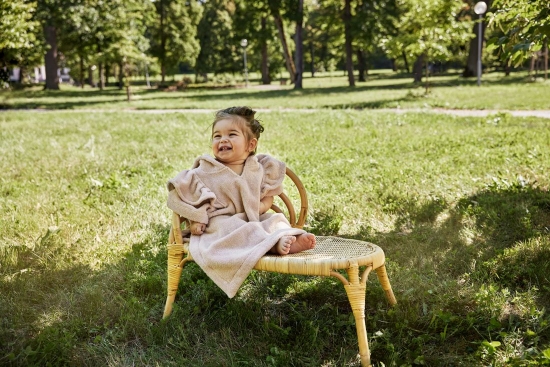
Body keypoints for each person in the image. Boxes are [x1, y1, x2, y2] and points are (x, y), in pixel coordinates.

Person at [166, 106, 316, 298]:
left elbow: (268, 198)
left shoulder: (258, 168)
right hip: (221, 221)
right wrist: (196, 218)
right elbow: (189, 196)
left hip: (253, 217)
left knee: (275, 219)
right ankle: (273, 245)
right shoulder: (205, 170)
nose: (223, 140)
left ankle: (282, 238)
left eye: (232, 134)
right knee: (231, 226)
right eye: (217, 136)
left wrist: (259, 207)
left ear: (250, 145)